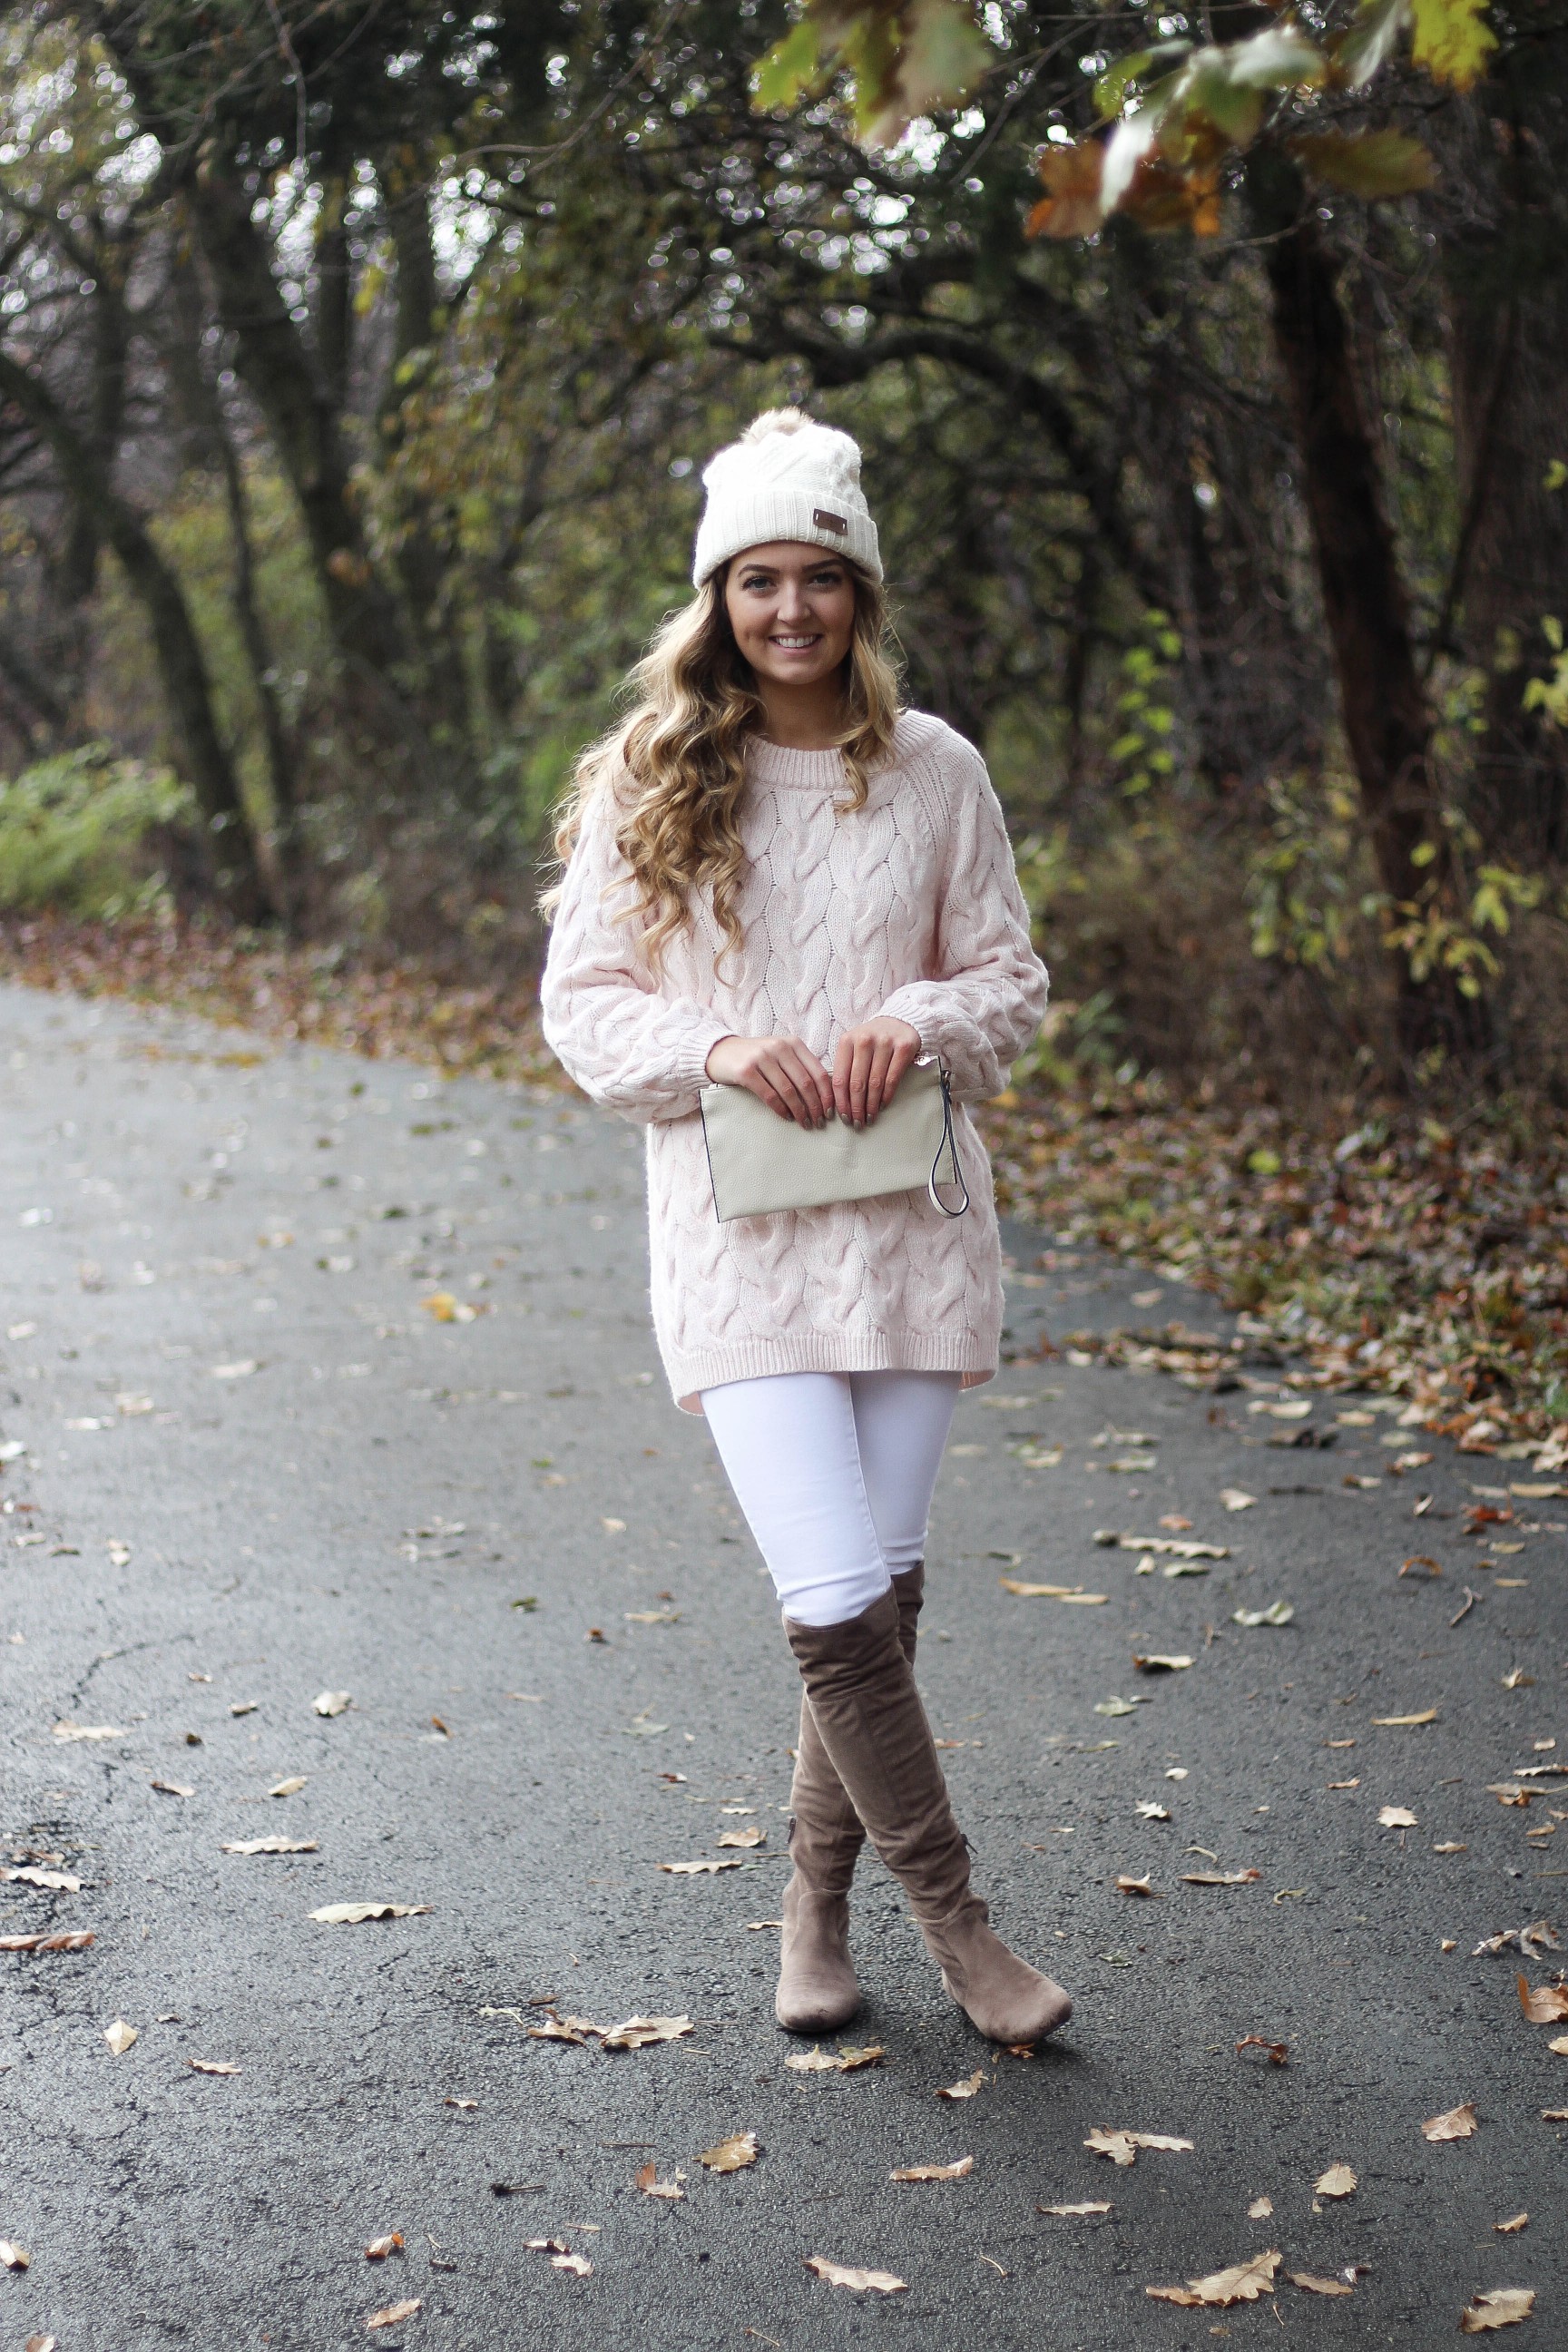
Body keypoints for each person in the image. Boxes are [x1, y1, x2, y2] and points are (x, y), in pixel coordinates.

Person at [540, 409, 1069, 2046]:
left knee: (882, 1601)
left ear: (861, 593)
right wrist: (715, 1048)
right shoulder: (649, 779)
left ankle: (813, 1911)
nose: (788, 611)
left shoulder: (937, 775)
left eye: (818, 578)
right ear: (716, 602)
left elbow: (1013, 983)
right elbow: (582, 1006)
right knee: (833, 1599)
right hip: (738, 1238)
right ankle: (966, 1935)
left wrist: (913, 1018)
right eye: (756, 581)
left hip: (911, 1223)